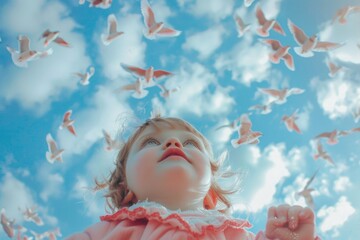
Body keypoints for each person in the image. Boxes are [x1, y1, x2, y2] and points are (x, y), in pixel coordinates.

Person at [66, 117, 319, 240]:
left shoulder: (231, 233)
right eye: (151, 142)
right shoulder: (112, 231)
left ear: (210, 191)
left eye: (190, 143)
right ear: (125, 188)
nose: (173, 142)